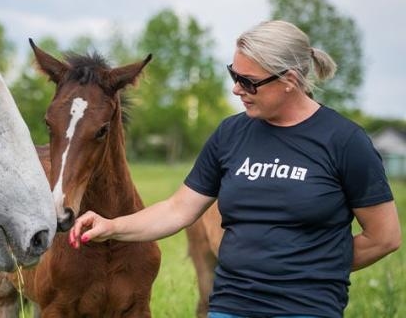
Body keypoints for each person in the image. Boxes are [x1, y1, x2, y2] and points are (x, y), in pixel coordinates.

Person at [68, 20, 401, 318]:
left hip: (307, 308)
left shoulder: (344, 141)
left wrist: (313, 271)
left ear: (289, 80)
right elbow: (178, 209)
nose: (236, 88)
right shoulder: (231, 134)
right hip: (232, 305)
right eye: (233, 74)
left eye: (248, 81)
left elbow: (384, 237)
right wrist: (110, 225)